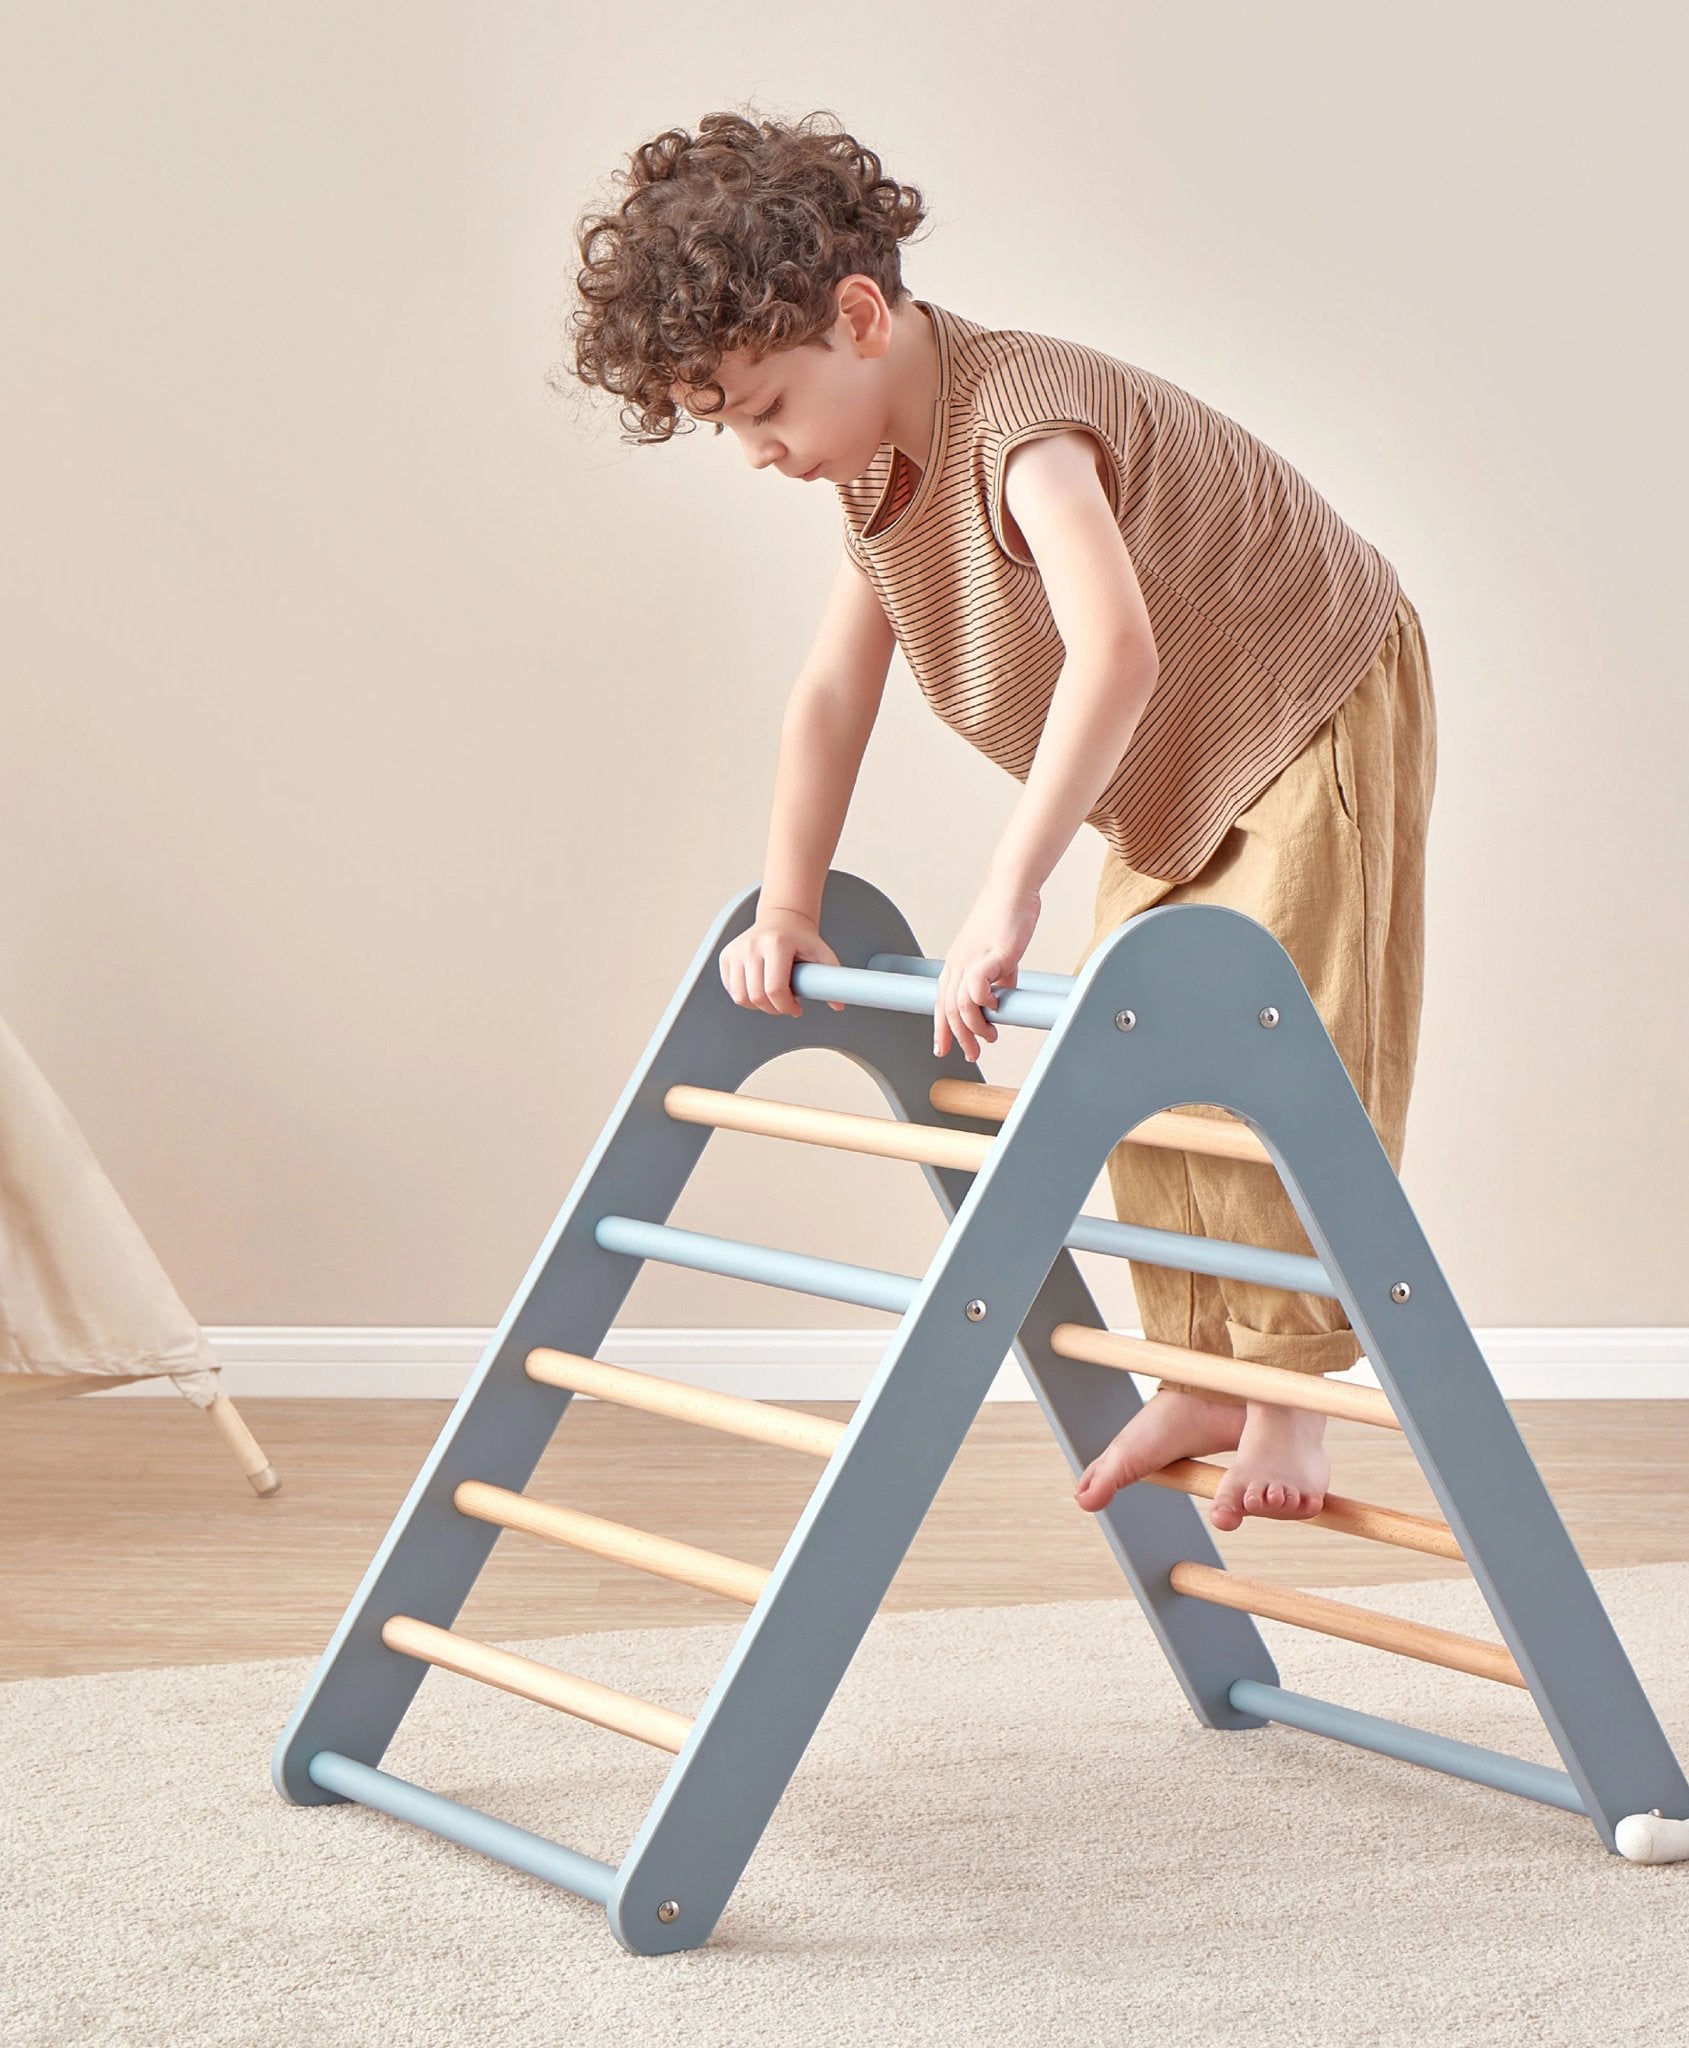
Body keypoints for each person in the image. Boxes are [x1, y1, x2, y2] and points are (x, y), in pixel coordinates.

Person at [567, 109, 1437, 1533]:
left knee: (1287, 1037)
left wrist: (1008, 888)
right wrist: (789, 904)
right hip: (1175, 758)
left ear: (857, 317)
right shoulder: (871, 477)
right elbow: (831, 696)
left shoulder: (1022, 425)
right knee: (1144, 1047)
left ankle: (1289, 1392)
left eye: (763, 409)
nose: (757, 453)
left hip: (1303, 695)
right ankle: (1198, 1369)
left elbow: (1118, 653)